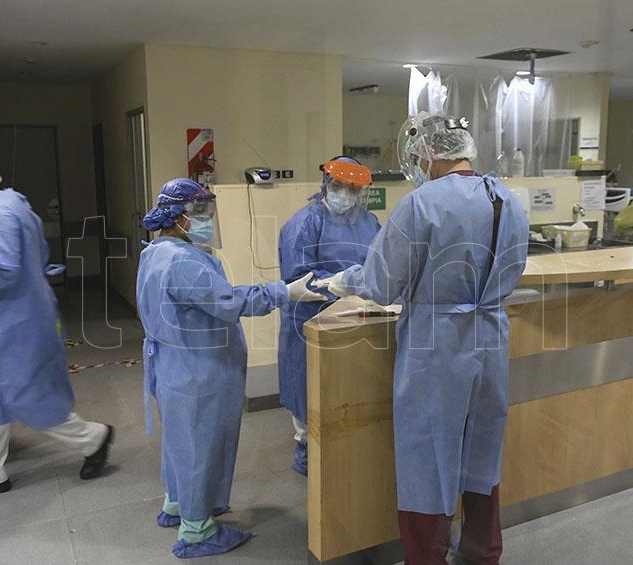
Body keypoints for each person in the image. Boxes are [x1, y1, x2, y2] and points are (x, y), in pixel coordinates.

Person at [322, 113, 529, 564]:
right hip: (490, 337)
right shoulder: (507, 199)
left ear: (429, 154)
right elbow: (514, 268)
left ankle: (428, 558)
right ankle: (482, 554)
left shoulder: (422, 204)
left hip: (437, 345)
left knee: (428, 458)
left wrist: (339, 282)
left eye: (417, 159)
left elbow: (381, 283)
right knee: (483, 451)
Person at [136, 178, 326, 559]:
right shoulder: (185, 262)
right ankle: (197, 530)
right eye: (200, 213)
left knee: (180, 442)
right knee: (201, 447)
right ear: (178, 217)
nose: (207, 221)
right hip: (200, 371)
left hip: (174, 366)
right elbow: (229, 301)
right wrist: (285, 292)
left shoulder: (154, 252)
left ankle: (178, 505)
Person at [0, 162, 113, 496]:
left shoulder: (0, 216)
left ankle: (94, 438)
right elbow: (26, 264)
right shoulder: (8, 207)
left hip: (19, 326)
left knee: (29, 397)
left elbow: (4, 272)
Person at [277, 156, 380, 476]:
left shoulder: (370, 223)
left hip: (357, 318)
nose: (345, 194)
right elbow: (298, 279)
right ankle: (308, 453)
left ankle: (344, 451)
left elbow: (381, 264)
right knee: (308, 387)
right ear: (326, 184)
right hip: (312, 319)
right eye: (339, 186)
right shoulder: (305, 223)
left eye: (353, 188)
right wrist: (340, 283)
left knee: (350, 386)